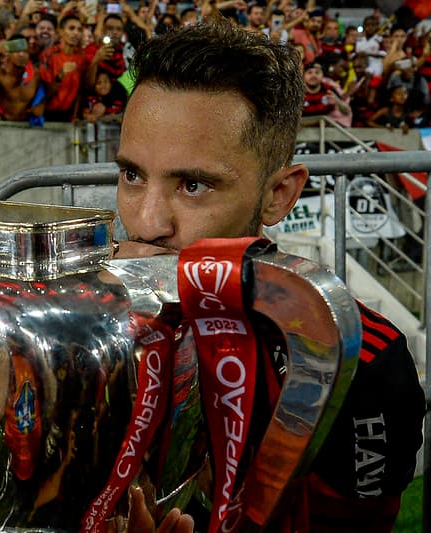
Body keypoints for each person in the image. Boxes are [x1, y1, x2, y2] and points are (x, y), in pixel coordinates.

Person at [115, 22, 425, 532]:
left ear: (279, 195)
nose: (147, 221)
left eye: (193, 185)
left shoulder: (355, 362)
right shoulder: (87, 318)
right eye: (132, 175)